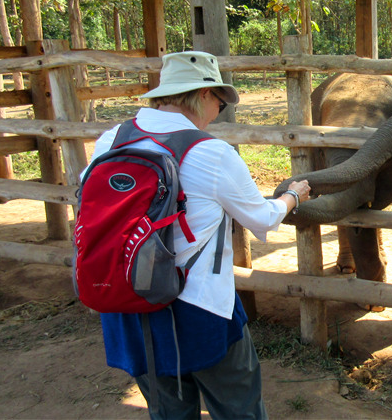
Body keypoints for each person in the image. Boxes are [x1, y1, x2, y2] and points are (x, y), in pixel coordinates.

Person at [85, 50, 310, 419]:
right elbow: (262, 219)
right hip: (199, 307)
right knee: (238, 407)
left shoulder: (111, 139)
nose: (219, 113)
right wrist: (292, 197)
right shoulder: (210, 152)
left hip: (126, 301)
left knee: (168, 411)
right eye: (221, 103)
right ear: (204, 94)